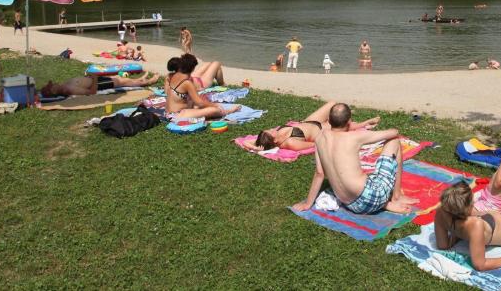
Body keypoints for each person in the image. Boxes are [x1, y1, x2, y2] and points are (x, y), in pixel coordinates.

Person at [292, 103, 418, 214]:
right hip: (371, 198)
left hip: (349, 204)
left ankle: (383, 204)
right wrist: (393, 129)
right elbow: (393, 133)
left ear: (329, 121)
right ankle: (396, 197)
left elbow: (320, 174)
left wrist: (307, 203)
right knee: (394, 141)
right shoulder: (355, 137)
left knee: (366, 179)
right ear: (349, 122)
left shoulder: (320, 138)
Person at [434, 173, 501, 271]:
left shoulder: (441, 212)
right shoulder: (475, 225)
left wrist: (457, 235)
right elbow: (480, 265)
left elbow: (443, 245)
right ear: (468, 206)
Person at [246, 101, 380, 152]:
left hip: (310, 121)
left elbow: (247, 141)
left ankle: (343, 115)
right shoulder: (290, 143)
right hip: (319, 130)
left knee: (333, 104)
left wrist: (255, 147)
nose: (272, 129)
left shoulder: (272, 136)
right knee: (342, 125)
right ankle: (365, 123)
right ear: (274, 140)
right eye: (271, 132)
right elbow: (313, 145)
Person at [164, 54, 238, 121]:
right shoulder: (187, 83)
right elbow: (200, 103)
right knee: (215, 110)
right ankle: (226, 112)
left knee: (197, 106)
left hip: (168, 113)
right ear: (193, 68)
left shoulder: (172, 75)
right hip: (177, 115)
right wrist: (215, 105)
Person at [40, 72, 160, 97]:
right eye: (51, 86)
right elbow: (91, 92)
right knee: (123, 82)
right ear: (54, 91)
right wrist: (94, 78)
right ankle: (150, 81)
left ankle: (140, 79)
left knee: (119, 78)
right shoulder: (69, 89)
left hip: (96, 80)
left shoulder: (64, 85)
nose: (53, 83)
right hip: (100, 84)